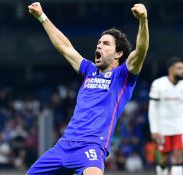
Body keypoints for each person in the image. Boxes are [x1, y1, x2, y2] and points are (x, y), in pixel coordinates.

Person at [27, 2, 149, 175]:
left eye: (106, 44)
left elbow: (141, 51)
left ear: (118, 53)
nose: (99, 45)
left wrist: (143, 21)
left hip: (91, 146)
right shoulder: (89, 70)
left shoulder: (123, 76)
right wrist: (42, 17)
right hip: (64, 145)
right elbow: (65, 48)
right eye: (99, 42)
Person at [148, 58, 183, 175]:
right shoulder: (158, 84)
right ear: (170, 70)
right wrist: (154, 130)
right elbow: (152, 109)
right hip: (162, 127)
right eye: (179, 68)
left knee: (178, 157)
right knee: (163, 159)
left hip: (180, 126)